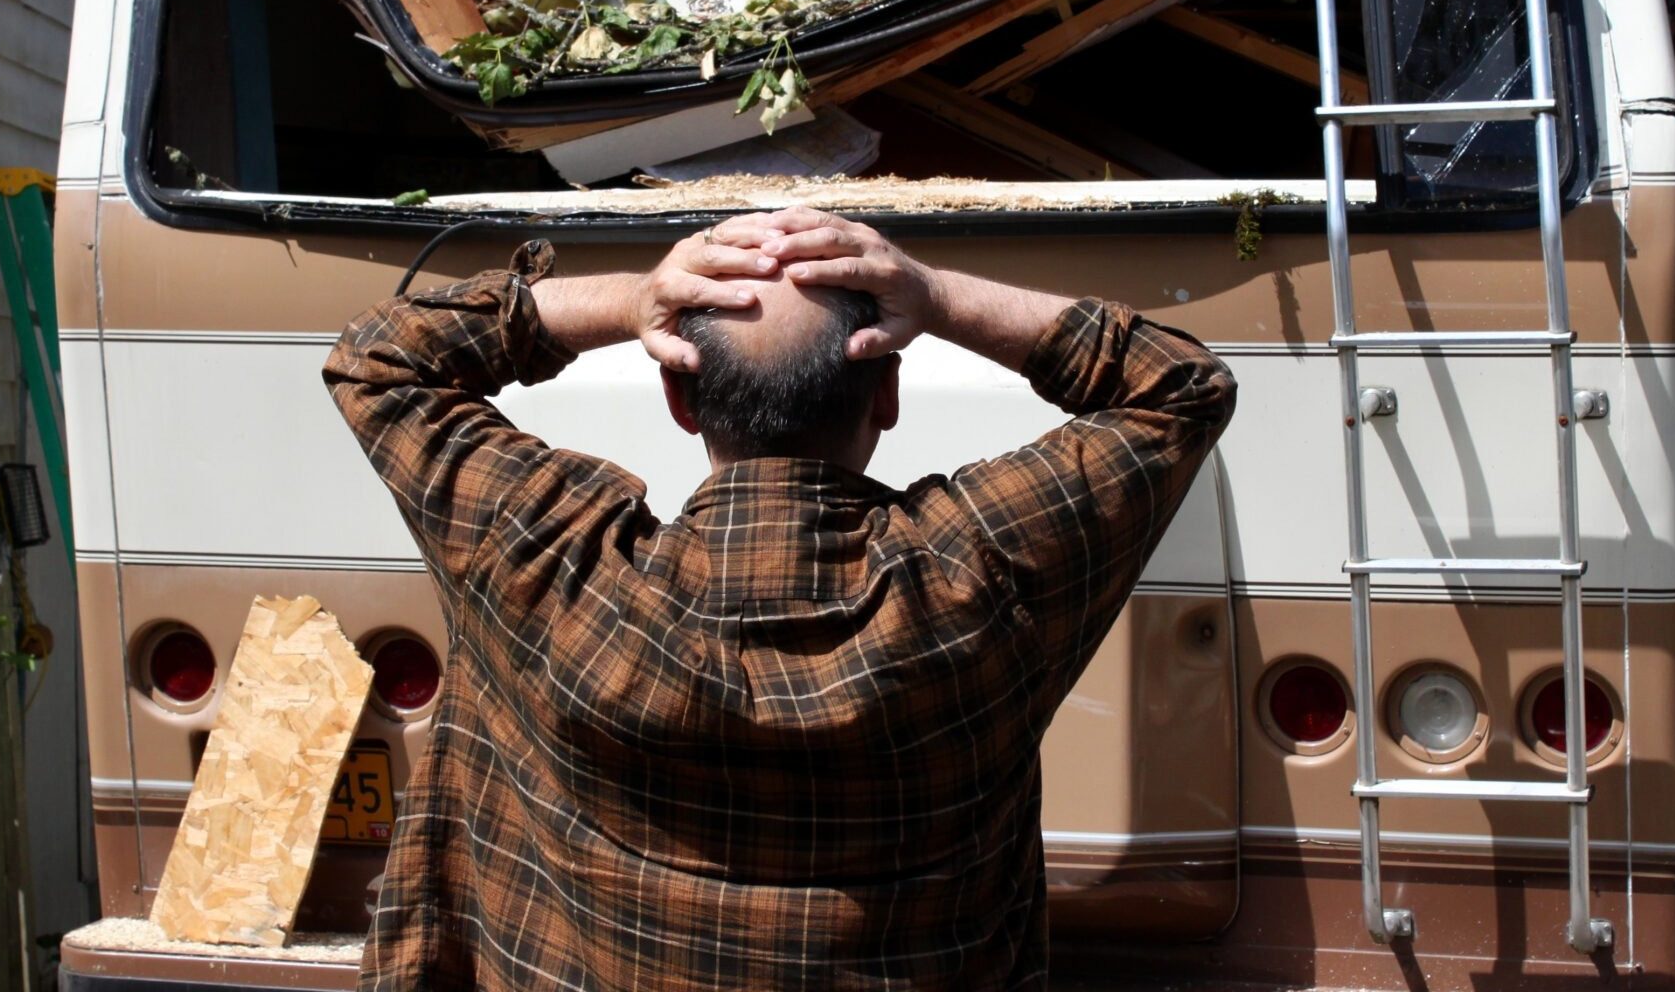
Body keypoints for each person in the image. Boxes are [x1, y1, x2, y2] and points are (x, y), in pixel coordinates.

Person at [325, 206, 1236, 991]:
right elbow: (1180, 387)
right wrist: (940, 296)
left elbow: (381, 359)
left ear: (680, 397)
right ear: (886, 390)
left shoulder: (556, 563)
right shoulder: (978, 574)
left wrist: (634, 298)